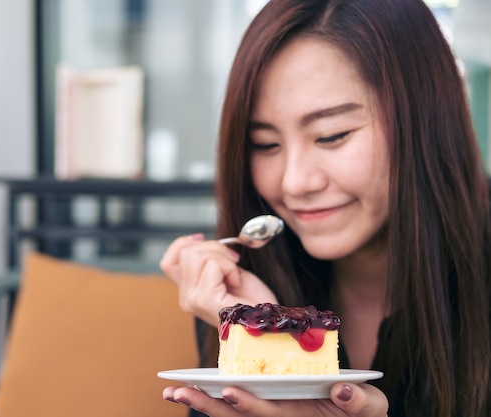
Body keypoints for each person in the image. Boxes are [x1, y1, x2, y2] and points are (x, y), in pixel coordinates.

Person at [159, 0, 491, 416]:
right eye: (266, 145)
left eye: (331, 135)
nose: (294, 182)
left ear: (425, 119)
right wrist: (266, 331)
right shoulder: (242, 296)